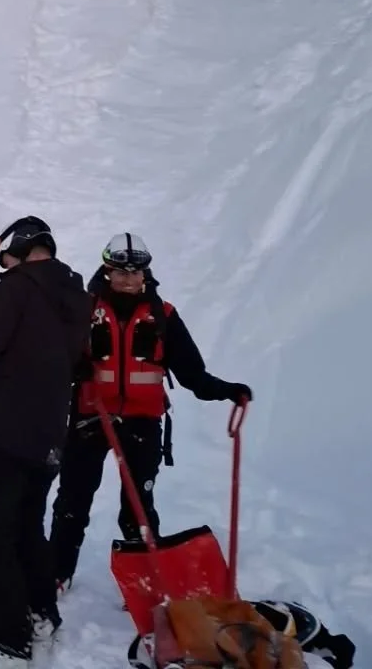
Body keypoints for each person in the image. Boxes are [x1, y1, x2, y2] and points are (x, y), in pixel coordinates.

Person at [50, 233, 252, 590]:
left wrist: (227, 391)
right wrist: (74, 367)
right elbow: (53, 356)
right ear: (107, 271)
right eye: (120, 271)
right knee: (73, 500)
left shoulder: (163, 315)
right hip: (90, 417)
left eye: (136, 272)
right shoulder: (85, 309)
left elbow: (192, 373)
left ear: (146, 274)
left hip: (142, 421)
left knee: (139, 506)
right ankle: (56, 573)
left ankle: (145, 582)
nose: (128, 279)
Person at [0, 216, 91, 664]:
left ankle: (8, 640)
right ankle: (41, 615)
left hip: (0, 434)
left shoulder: (16, 287)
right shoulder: (76, 295)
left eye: (5, 255)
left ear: (19, 247)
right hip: (46, 437)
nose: (3, 265)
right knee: (28, 529)